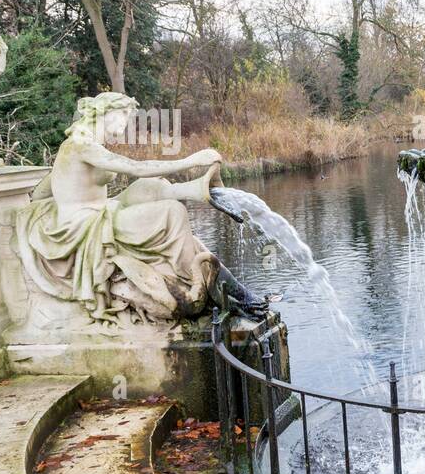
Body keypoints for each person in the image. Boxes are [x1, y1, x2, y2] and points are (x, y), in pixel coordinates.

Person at [16, 92, 263, 326]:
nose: (125, 126)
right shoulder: (80, 145)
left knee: (150, 187)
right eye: (124, 117)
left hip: (102, 211)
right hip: (85, 224)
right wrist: (190, 161)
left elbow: (41, 191)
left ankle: (195, 194)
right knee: (172, 213)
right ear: (106, 113)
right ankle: (193, 281)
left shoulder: (80, 145)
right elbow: (136, 167)